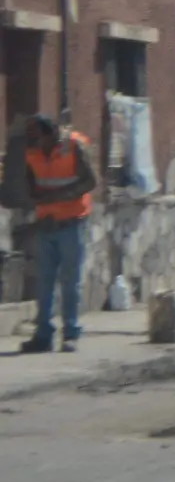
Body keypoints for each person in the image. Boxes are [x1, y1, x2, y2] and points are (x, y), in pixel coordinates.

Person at [20, 116, 96, 354]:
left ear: (51, 134)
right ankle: (43, 335)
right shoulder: (32, 152)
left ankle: (70, 334)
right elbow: (31, 185)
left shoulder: (74, 146)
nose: (35, 144)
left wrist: (55, 198)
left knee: (70, 283)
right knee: (44, 283)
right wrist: (35, 202)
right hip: (46, 225)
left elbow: (90, 181)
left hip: (71, 223)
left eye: (38, 137)